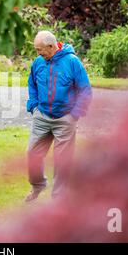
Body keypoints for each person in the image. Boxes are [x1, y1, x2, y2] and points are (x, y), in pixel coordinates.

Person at [25, 31, 92, 202]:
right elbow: (31, 83)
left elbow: (85, 90)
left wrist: (75, 114)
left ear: (51, 46)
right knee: (32, 154)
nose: (38, 53)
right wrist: (33, 105)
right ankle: (38, 185)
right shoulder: (38, 62)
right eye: (36, 49)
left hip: (65, 118)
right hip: (42, 116)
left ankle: (58, 199)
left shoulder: (72, 62)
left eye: (40, 49)